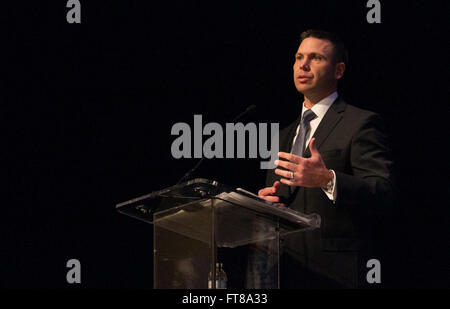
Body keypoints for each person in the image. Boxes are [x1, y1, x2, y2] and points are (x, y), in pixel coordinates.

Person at [257, 29, 394, 288]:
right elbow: (280, 199)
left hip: (337, 273)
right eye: (299, 57)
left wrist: (327, 179)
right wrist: (265, 206)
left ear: (338, 70)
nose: (303, 65)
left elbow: (383, 192)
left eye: (315, 58)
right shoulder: (280, 136)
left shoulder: (360, 123)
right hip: (284, 271)